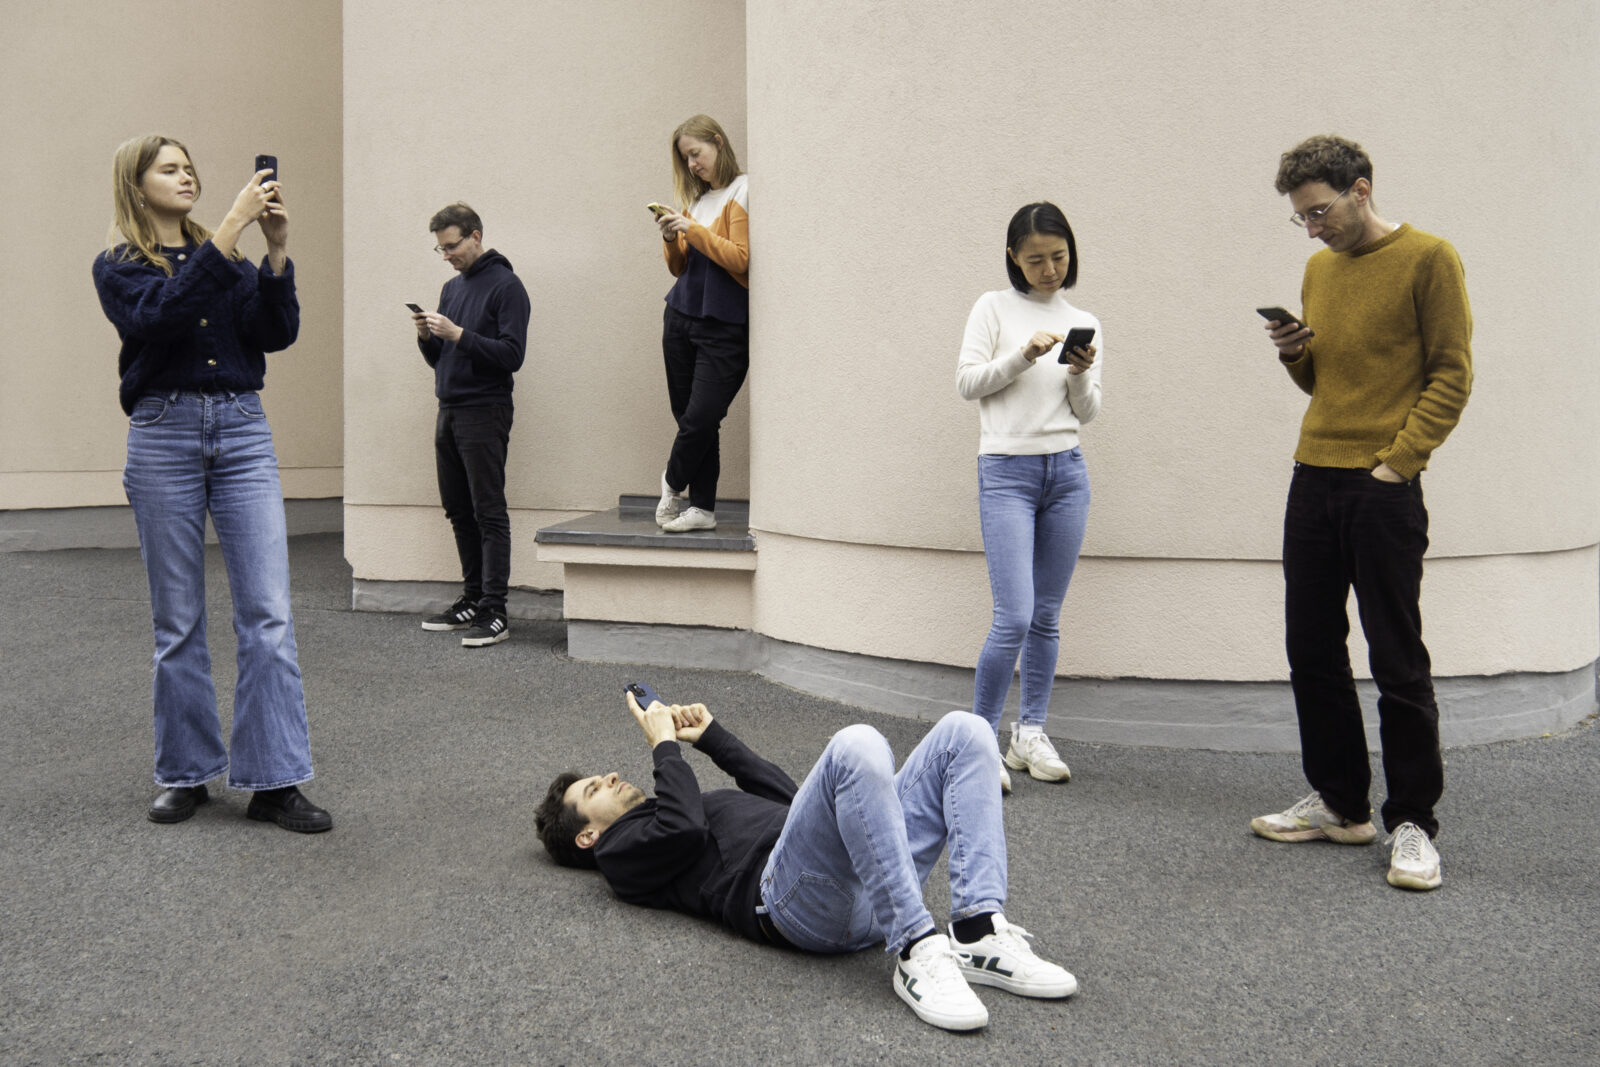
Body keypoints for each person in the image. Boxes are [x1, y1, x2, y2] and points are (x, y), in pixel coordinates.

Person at [535, 693, 1078, 1032]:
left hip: (866, 877)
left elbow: (795, 804)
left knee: (967, 731)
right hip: (794, 904)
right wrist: (662, 747)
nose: (608, 777)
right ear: (586, 834)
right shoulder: (620, 854)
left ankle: (977, 928)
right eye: (592, 787)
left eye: (601, 774)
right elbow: (684, 828)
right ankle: (915, 950)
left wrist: (714, 740)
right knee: (855, 744)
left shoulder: (675, 805)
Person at [1251, 135, 1472, 892]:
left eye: (1320, 212)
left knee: (1396, 657)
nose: (1313, 229)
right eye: (1301, 218)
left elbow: (1451, 375)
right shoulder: (1319, 269)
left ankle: (1412, 822)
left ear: (1361, 189)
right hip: (1312, 475)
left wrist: (1396, 464)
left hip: (1382, 487)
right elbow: (1325, 381)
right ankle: (1343, 804)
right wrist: (1293, 351)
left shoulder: (1430, 259)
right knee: (1311, 648)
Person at [91, 134, 330, 832]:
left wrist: (277, 252)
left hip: (242, 428)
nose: (186, 175)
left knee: (269, 613)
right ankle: (185, 773)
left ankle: (275, 780)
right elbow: (158, 316)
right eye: (168, 168)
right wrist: (229, 233)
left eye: (189, 166)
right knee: (178, 620)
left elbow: (275, 332)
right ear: (137, 186)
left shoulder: (227, 258)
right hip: (162, 430)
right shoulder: (118, 266)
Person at [956, 202, 1102, 794]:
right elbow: (967, 383)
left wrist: (1077, 372)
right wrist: (1025, 356)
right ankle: (979, 742)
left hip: (1066, 472)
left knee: (1045, 616)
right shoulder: (992, 307)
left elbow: (1087, 413)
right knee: (1012, 615)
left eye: (1059, 257)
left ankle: (1030, 733)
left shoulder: (1083, 317)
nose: (1049, 269)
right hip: (1007, 473)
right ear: (1014, 257)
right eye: (1036, 259)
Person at [411, 202, 531, 647]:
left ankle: (495, 609)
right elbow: (441, 360)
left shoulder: (508, 287)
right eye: (440, 249)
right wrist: (428, 336)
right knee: (459, 510)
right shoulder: (450, 289)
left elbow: (512, 355)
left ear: (476, 236)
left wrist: (460, 334)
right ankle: (472, 597)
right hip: (450, 409)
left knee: (489, 511)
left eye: (453, 246)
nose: (447, 255)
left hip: (486, 409)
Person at [650, 114, 749, 533]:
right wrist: (673, 235)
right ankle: (703, 508)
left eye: (696, 153)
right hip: (680, 318)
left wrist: (694, 229)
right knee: (687, 414)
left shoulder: (744, 189)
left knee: (702, 417)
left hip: (725, 324)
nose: (692, 164)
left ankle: (672, 483)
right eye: (685, 159)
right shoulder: (697, 201)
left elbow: (741, 259)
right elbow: (679, 269)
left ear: (718, 143)